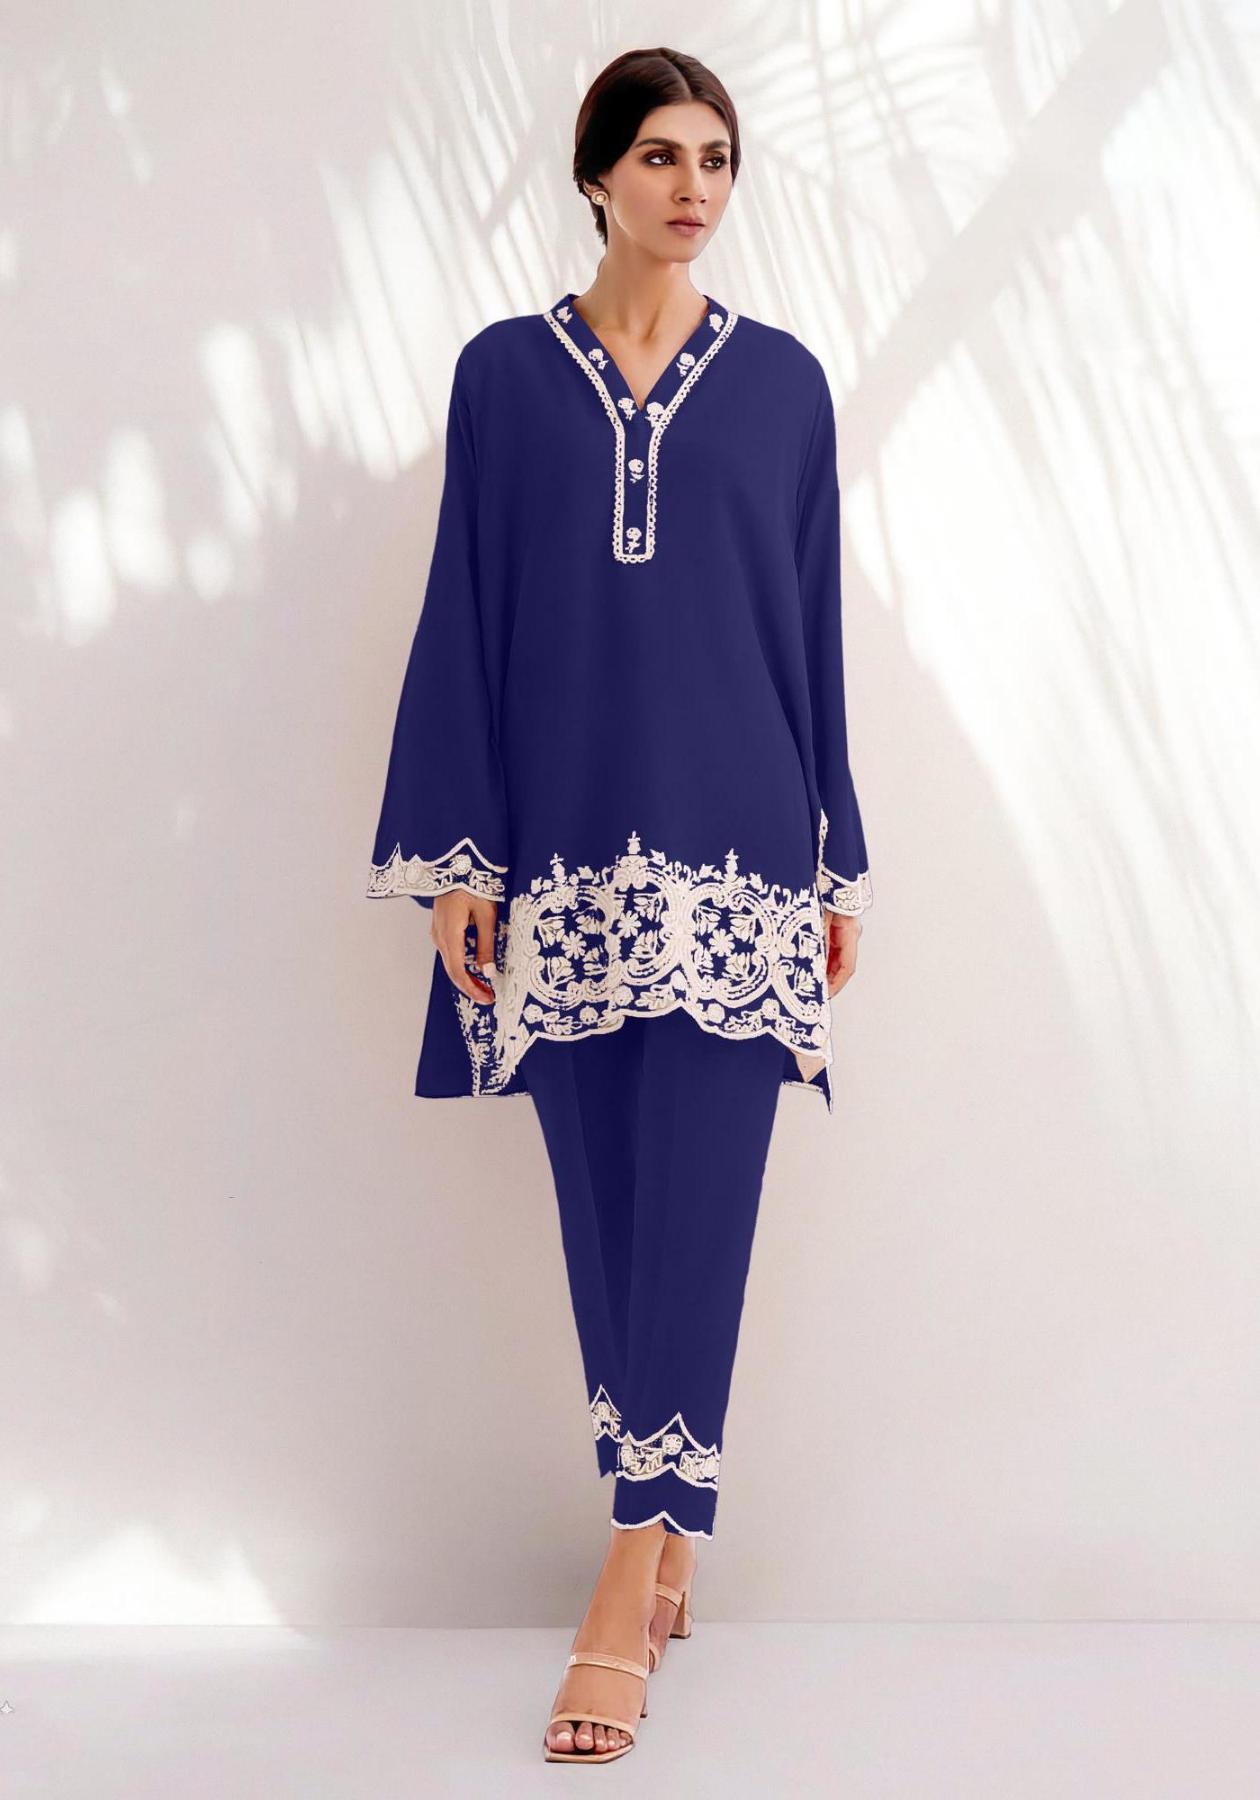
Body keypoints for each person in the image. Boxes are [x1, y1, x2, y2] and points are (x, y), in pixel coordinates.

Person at [366, 46, 873, 1765]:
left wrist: (836, 850)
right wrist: (462, 856)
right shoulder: (505, 379)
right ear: (596, 176)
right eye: (659, 156)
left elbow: (811, 626)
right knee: (607, 1210)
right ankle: (663, 1550)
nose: (692, 188)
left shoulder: (785, 386)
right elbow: (465, 614)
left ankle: (627, 1568)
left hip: (742, 857)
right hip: (564, 853)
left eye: (716, 159)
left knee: (702, 1212)